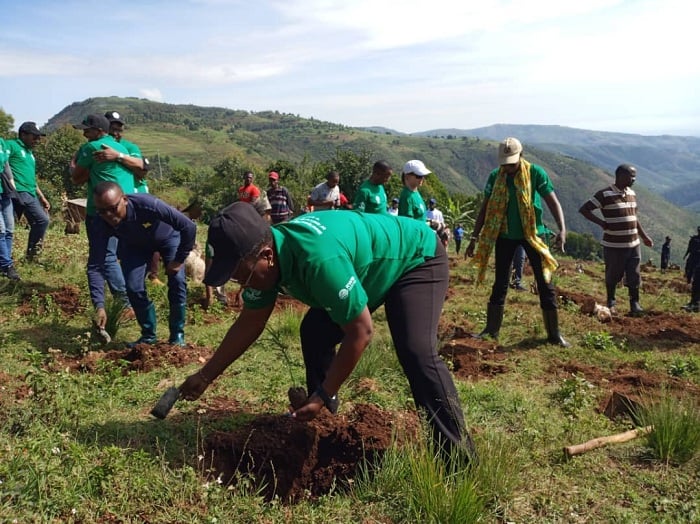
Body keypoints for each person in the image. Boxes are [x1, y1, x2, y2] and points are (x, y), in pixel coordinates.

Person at [178, 203, 477, 463]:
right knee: (315, 331)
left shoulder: (318, 260)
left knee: (416, 351)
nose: (240, 285)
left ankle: (458, 457)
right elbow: (250, 323)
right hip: (365, 269)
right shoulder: (267, 261)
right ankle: (324, 422)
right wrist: (205, 376)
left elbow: (360, 332)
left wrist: (323, 392)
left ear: (267, 255)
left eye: (241, 276)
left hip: (415, 256)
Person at [467, 137, 569, 346]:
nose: (508, 168)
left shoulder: (535, 173)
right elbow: (485, 208)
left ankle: (554, 334)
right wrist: (474, 237)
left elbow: (553, 202)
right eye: (505, 164)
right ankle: (491, 330)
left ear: (521, 156)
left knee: (545, 283)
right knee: (500, 283)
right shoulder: (496, 177)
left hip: (533, 234)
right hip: (504, 235)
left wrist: (562, 229)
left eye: (512, 163)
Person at [89, 182, 196, 346]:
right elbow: (96, 265)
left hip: (167, 238)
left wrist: (178, 260)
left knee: (177, 280)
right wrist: (99, 305)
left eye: (113, 208)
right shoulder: (100, 222)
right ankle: (148, 336)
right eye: (102, 211)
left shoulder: (148, 205)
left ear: (124, 199)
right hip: (134, 246)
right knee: (133, 287)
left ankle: (177, 335)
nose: (109, 215)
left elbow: (188, 226)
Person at [71, 114, 136, 314]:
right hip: (126, 207)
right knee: (123, 254)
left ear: (99, 131)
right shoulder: (122, 148)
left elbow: (76, 178)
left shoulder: (91, 148)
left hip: (101, 210)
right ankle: (134, 299)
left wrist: (74, 164)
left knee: (103, 258)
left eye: (87, 130)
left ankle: (123, 304)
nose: (84, 133)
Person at [98, 111, 163, 285]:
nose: (116, 133)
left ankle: (152, 274)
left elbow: (141, 170)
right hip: (110, 203)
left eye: (119, 129)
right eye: (112, 129)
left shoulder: (129, 147)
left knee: (145, 236)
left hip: (135, 198)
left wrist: (117, 156)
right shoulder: (97, 146)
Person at [579, 164, 653, 315]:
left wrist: (644, 236)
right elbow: (584, 209)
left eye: (634, 176)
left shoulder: (631, 193)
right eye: (631, 176)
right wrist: (601, 223)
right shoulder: (604, 194)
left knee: (634, 274)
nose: (634, 179)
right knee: (613, 274)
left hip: (633, 244)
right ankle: (611, 302)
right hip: (614, 245)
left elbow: (634, 217)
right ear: (620, 176)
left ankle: (635, 304)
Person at [6, 122, 50, 261]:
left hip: (30, 193)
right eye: (34, 137)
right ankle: (6, 259)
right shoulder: (11, 145)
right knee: (7, 228)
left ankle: (31, 256)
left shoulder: (30, 154)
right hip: (16, 192)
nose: (38, 140)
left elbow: (31, 177)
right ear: (23, 134)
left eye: (39, 137)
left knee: (41, 221)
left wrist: (41, 196)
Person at [0, 138, 20, 279]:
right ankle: (7, 265)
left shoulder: (1, 142)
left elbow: (6, 165)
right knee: (0, 230)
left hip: (4, 191)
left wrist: (14, 189)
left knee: (9, 229)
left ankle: (4, 262)